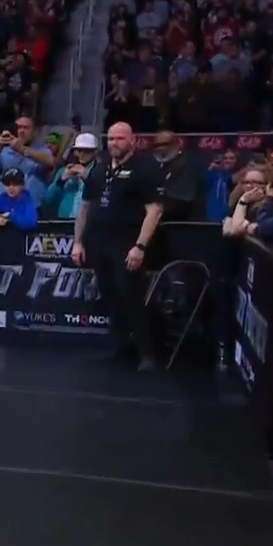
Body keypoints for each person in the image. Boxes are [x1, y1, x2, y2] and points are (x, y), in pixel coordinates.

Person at [71, 122, 164, 372]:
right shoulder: (101, 168)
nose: (114, 143)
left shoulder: (144, 168)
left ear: (132, 141)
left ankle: (147, 353)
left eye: (120, 138)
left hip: (127, 242)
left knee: (131, 295)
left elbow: (154, 210)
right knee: (110, 295)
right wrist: (78, 242)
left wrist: (140, 246)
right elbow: (85, 207)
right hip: (99, 242)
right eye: (111, 139)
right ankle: (119, 347)